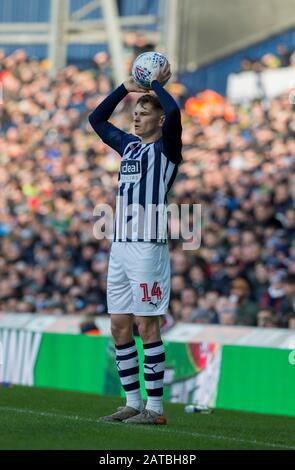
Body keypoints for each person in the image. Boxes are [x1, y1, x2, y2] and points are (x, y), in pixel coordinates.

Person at [89, 61, 182, 425]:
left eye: (144, 113)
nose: (136, 118)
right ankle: (131, 401)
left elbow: (173, 110)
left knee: (147, 326)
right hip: (121, 246)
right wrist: (125, 89)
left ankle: (155, 409)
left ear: (159, 121)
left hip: (147, 247)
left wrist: (155, 87)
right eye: (136, 113)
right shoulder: (128, 146)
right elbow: (97, 120)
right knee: (118, 325)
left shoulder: (169, 149)